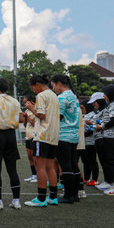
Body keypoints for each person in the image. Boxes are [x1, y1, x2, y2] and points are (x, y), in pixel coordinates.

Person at [24, 74, 60, 207]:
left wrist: (30, 108)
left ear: (37, 84)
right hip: (53, 135)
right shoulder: (54, 96)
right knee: (51, 166)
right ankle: (53, 197)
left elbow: (41, 114)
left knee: (40, 166)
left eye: (33, 87)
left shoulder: (41, 95)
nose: (34, 90)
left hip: (42, 135)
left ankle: (40, 198)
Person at [0, 77, 22, 210]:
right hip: (11, 135)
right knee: (12, 169)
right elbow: (21, 118)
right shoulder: (14, 101)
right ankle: (16, 200)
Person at [50, 75, 81, 204]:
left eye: (53, 86)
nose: (53, 89)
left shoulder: (62, 98)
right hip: (74, 134)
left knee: (66, 165)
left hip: (63, 134)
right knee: (73, 164)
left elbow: (58, 117)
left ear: (59, 83)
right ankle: (74, 194)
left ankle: (68, 195)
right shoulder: (73, 96)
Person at [94, 85, 114, 196]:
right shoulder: (112, 105)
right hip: (110, 136)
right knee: (110, 160)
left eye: (105, 93)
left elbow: (113, 121)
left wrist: (101, 127)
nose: (103, 96)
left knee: (113, 160)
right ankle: (113, 184)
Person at [87, 92, 109, 190]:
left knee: (106, 161)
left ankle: (109, 181)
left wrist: (91, 124)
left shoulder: (105, 111)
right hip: (97, 138)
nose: (93, 104)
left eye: (95, 102)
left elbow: (102, 125)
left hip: (103, 138)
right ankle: (107, 180)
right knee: (102, 161)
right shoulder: (100, 112)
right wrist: (92, 125)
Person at [80, 99, 99, 186]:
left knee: (92, 161)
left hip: (90, 142)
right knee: (85, 161)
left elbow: (93, 129)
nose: (81, 109)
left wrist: (82, 135)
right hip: (83, 143)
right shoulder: (84, 115)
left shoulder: (93, 116)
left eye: (82, 107)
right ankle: (86, 178)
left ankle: (94, 179)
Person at [20, 95, 37, 182]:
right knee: (30, 156)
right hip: (28, 136)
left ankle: (38, 175)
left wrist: (27, 117)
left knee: (34, 157)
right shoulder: (27, 111)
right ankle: (33, 174)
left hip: (34, 136)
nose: (25, 104)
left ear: (31, 102)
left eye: (26, 102)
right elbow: (25, 124)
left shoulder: (35, 110)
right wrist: (25, 118)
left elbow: (34, 123)